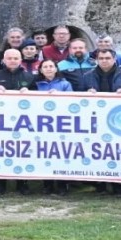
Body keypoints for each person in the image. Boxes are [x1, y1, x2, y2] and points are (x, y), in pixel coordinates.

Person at [82, 48, 121, 196]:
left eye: (107, 58)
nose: (104, 61)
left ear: (114, 59)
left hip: (118, 122)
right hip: (95, 121)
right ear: (97, 60)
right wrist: (85, 95)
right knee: (97, 152)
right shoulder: (87, 76)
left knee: (117, 153)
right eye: (101, 58)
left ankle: (118, 184)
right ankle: (99, 184)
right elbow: (78, 97)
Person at [0, 48, 32, 194]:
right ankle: (0, 183)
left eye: (16, 58)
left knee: (22, 152)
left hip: (23, 122)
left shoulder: (30, 77)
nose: (13, 61)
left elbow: (39, 100)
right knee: (0, 152)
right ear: (4, 60)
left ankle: (22, 183)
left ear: (21, 60)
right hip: (1, 122)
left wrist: (30, 93)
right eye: (10, 58)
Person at [33, 58, 72, 195]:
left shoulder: (65, 84)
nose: (49, 69)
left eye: (51, 66)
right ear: (41, 70)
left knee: (61, 154)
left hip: (60, 123)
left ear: (56, 69)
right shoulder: (35, 84)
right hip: (41, 124)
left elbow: (72, 103)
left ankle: (62, 184)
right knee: (44, 154)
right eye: (45, 66)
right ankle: (47, 184)